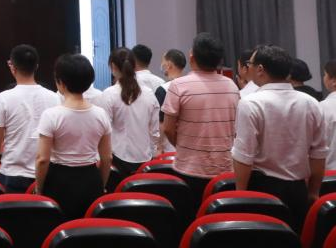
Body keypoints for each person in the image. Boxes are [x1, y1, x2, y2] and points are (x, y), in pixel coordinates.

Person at [233, 45, 328, 231]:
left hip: (262, 190)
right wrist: (313, 192)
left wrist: (240, 194)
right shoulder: (311, 103)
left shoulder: (250, 103)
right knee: (294, 242)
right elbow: (318, 154)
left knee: (265, 243)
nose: (248, 67)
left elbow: (244, 156)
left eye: (250, 64)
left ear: (260, 69)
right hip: (298, 190)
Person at [162, 32, 240, 200]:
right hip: (225, 170)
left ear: (192, 57)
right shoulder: (232, 86)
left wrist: (184, 146)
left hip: (188, 169)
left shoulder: (178, 86)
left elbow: (167, 129)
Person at [35, 54, 112, 220]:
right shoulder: (101, 114)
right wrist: (101, 185)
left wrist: (39, 189)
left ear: (61, 83)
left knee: (59, 227)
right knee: (88, 228)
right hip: (90, 178)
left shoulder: (51, 115)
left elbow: (42, 159)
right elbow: (107, 158)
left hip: (59, 180)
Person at [0, 44, 59, 193]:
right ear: (36, 67)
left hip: (12, 173)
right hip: (45, 172)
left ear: (12, 67)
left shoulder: (4, 98)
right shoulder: (54, 97)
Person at [96, 47, 160, 189]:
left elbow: (103, 132)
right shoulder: (149, 94)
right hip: (145, 160)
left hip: (117, 161)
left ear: (113, 67)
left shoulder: (109, 94)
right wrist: (151, 152)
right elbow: (154, 132)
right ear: (134, 65)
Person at [321, 61, 336, 171]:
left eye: (325, 74)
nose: (324, 78)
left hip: (331, 175)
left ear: (334, 81)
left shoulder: (322, 108)